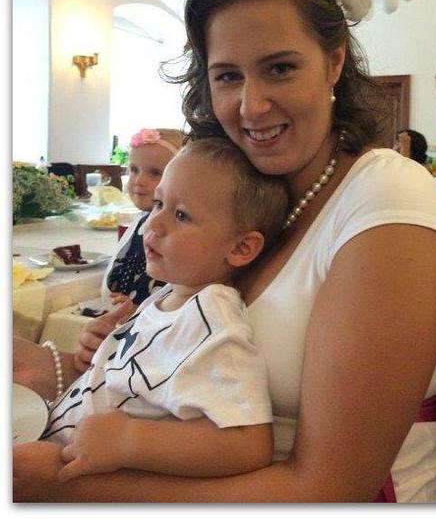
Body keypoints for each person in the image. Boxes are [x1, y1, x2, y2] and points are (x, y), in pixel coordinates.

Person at [14, 0, 436, 503]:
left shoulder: (386, 197)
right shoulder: (251, 196)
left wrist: (55, 485)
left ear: (334, 62)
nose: (251, 106)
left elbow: (332, 488)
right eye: (227, 75)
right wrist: (102, 356)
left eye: (279, 68)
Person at [14, 137, 289, 484]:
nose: (153, 225)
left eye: (181, 215)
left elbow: (247, 442)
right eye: (159, 204)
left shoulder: (212, 314)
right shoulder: (173, 293)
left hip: (66, 469)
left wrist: (129, 441)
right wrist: (101, 351)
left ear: (241, 247)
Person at [102, 127, 185, 306]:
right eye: (134, 170)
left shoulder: (177, 230)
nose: (139, 180)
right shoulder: (142, 219)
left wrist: (139, 308)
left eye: (155, 173)